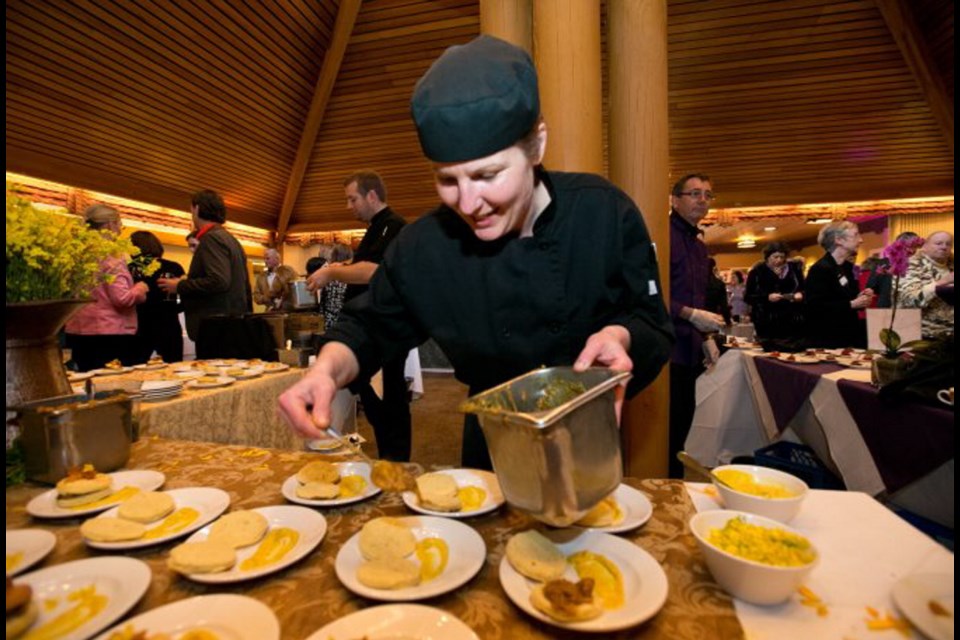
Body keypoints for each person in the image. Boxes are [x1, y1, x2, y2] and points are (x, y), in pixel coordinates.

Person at [279, 35, 673, 470]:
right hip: (489, 447)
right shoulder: (424, 246)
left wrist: (622, 336)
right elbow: (368, 327)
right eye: (448, 180)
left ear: (537, 144)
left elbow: (651, 322)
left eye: (488, 175)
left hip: (589, 440)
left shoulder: (602, 211)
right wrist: (324, 372)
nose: (468, 204)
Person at [304, 171, 411, 461]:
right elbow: (363, 262)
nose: (349, 206)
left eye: (353, 199)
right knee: (378, 404)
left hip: (384, 333)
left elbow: (374, 270)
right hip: (373, 332)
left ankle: (396, 465)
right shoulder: (377, 228)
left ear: (372, 196)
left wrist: (331, 272)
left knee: (389, 405)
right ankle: (389, 460)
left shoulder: (393, 226)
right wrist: (344, 265)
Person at [669, 173, 724, 478]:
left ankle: (674, 490)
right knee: (665, 435)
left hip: (690, 353)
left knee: (681, 432)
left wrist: (706, 335)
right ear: (675, 199)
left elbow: (698, 300)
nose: (702, 200)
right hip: (666, 352)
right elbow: (647, 295)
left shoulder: (700, 248)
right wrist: (688, 314)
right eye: (694, 194)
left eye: (707, 194)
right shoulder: (664, 236)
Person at [158, 190, 252, 350]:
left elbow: (219, 281)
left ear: (197, 209)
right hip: (231, 323)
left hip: (215, 326)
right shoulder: (229, 238)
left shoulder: (211, 239)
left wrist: (179, 286)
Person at [64, 204, 149, 371]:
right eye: (120, 225)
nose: (120, 230)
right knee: (113, 388)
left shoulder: (76, 254)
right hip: (109, 332)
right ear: (110, 225)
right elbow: (122, 299)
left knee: (88, 384)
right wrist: (140, 289)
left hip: (78, 329)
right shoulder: (110, 256)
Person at [803, 221, 874, 348]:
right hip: (828, 339)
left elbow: (847, 299)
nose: (861, 240)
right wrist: (851, 304)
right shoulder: (820, 269)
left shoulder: (847, 267)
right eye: (856, 235)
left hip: (849, 336)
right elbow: (815, 306)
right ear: (839, 240)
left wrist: (861, 298)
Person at [128, 230, 185, 364]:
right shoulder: (173, 267)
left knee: (137, 369)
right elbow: (180, 300)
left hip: (140, 325)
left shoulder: (131, 269)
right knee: (173, 369)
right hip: (169, 323)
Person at [897, 231, 954, 339]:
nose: (944, 247)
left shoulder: (951, 264)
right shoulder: (911, 265)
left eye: (948, 244)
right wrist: (943, 282)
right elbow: (909, 300)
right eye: (939, 243)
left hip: (950, 334)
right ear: (925, 246)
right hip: (922, 334)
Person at [745, 242, 805, 341]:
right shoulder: (757, 272)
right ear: (768, 257)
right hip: (766, 319)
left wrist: (801, 294)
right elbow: (748, 297)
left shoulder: (794, 270)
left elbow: (804, 288)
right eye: (775, 257)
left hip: (791, 317)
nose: (779, 260)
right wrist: (767, 297)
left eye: (782, 257)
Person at [866, 231, 921, 308]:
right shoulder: (882, 264)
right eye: (908, 247)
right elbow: (871, 287)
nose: (912, 251)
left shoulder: (919, 265)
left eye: (914, 247)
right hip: (887, 309)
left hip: (913, 310)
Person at [318, 242, 353, 330]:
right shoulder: (352, 274)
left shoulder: (327, 273)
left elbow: (323, 302)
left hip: (329, 320)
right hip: (347, 320)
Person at [705, 258, 731, 325]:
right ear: (713, 267)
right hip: (712, 316)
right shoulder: (719, 284)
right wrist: (728, 320)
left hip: (697, 317)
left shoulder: (695, 283)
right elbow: (724, 306)